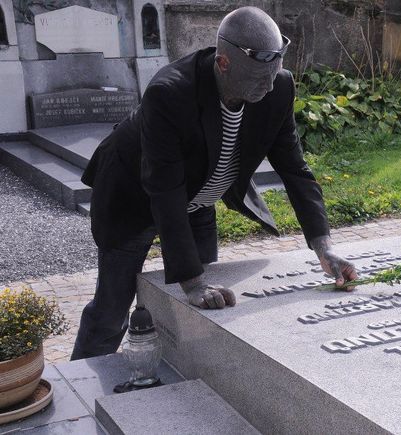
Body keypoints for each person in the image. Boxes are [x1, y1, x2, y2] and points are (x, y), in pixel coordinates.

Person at [71, 7, 358, 360]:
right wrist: (191, 281)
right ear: (223, 64)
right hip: (133, 197)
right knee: (111, 310)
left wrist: (322, 245)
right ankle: (81, 383)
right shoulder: (169, 92)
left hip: (198, 198)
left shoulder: (277, 86)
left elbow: (295, 168)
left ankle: (185, 371)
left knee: (205, 307)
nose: (268, 88)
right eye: (257, 80)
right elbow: (164, 189)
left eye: (273, 75)